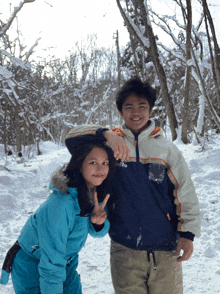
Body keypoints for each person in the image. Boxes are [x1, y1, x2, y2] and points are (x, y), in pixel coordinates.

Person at [64, 77, 201, 294]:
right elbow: (71, 138)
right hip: (124, 248)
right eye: (128, 107)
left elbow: (184, 192)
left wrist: (188, 234)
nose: (135, 112)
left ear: (151, 109)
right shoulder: (110, 143)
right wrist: (106, 133)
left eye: (142, 106)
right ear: (120, 112)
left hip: (165, 247)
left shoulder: (166, 150)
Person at [0, 138, 116, 294]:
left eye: (105, 163)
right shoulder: (62, 203)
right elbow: (51, 262)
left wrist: (98, 223)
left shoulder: (93, 193)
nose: (100, 169)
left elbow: (98, 232)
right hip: (33, 263)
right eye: (93, 162)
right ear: (80, 165)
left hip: (66, 263)